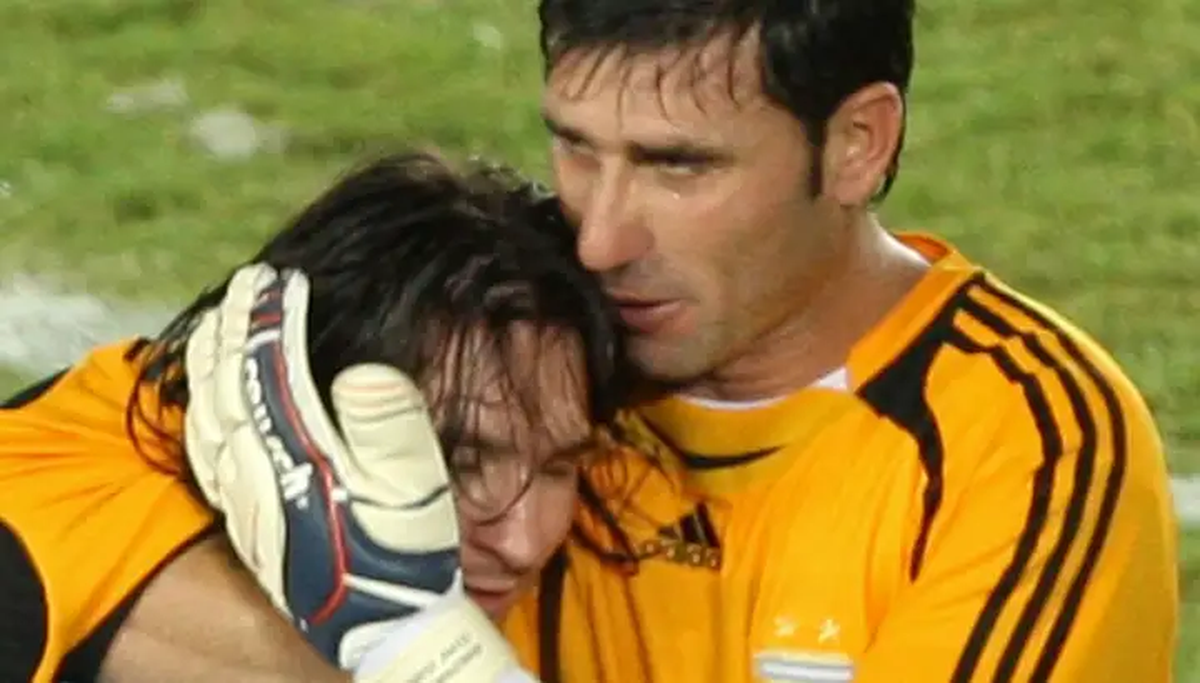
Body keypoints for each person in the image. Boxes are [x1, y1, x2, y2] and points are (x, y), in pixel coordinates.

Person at [193, 0, 1179, 681]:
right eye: (576, 146)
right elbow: (46, 553)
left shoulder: (1023, 444)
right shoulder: (489, 341)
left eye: (678, 165)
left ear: (857, 145)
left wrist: (412, 644)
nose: (600, 236)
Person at [0, 151, 634, 682]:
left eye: (557, 468)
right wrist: (414, 642)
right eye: (457, 460)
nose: (521, 542)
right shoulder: (48, 508)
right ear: (291, 412)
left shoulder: (630, 501)